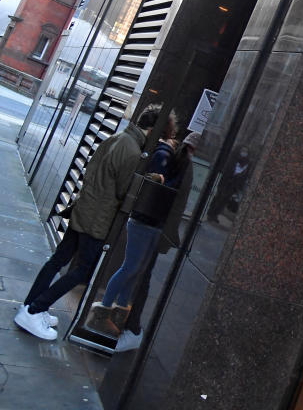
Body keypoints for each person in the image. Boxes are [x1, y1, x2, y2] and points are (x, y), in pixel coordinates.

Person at [14, 104, 161, 340]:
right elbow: (124, 191)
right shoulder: (132, 151)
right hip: (97, 217)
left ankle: (29, 306)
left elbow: (92, 167)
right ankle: (35, 309)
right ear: (152, 129)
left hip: (84, 208)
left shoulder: (118, 137)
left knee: (58, 260)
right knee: (83, 270)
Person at [112, 130, 198, 352]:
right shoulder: (180, 165)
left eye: (190, 148)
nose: (187, 152)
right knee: (139, 277)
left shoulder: (183, 166)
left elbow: (176, 205)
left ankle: (131, 329)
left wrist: (164, 237)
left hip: (155, 228)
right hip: (153, 227)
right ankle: (128, 327)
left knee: (138, 277)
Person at [205, 146, 249, 224]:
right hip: (225, 183)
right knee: (218, 197)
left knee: (224, 201)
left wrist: (238, 186)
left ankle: (215, 214)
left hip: (233, 186)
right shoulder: (233, 160)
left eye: (246, 151)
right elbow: (226, 170)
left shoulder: (246, 164)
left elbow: (244, 176)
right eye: (243, 150)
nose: (244, 153)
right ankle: (210, 213)